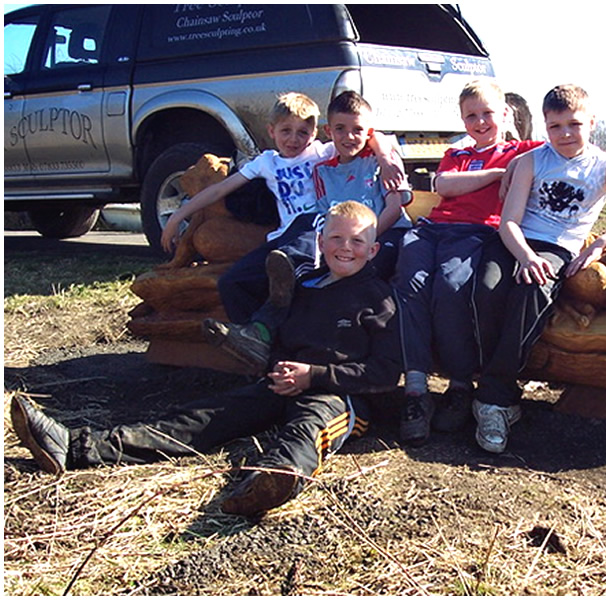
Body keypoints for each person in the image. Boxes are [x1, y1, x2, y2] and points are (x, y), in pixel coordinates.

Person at [11, 202, 403, 520]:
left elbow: (385, 372)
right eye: (336, 237)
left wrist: (314, 376)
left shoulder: (378, 299)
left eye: (356, 241)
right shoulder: (303, 288)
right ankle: (74, 447)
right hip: (281, 384)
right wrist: (278, 368)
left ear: (372, 250)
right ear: (320, 241)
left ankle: (270, 483)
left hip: (338, 397)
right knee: (197, 418)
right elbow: (281, 338)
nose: (345, 247)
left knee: (306, 432)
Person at [472, 84, 606, 453]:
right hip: (515, 242)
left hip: (558, 248)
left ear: (592, 123)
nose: (565, 134)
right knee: (486, 287)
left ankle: (493, 400)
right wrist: (525, 255)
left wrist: (603, 242)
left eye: (574, 124)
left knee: (531, 291)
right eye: (555, 126)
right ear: (545, 126)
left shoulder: (604, 166)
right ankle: (481, 386)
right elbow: (508, 221)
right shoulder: (532, 162)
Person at [160, 92, 402, 372]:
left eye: (302, 132)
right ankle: (259, 348)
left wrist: (384, 157)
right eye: (286, 131)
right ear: (271, 131)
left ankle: (276, 331)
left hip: (317, 231)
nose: (294, 139)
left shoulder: (322, 152)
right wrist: (179, 214)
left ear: (314, 134)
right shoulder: (267, 162)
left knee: (299, 267)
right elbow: (219, 189)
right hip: (285, 239)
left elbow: (368, 133)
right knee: (232, 283)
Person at [392, 79, 543, 446]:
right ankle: (415, 389)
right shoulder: (457, 155)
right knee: (410, 282)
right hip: (431, 230)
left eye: (487, 113)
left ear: (506, 113)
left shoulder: (525, 151)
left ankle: (460, 384)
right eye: (470, 116)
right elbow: (444, 185)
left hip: (476, 234)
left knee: (451, 286)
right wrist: (495, 175)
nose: (479, 122)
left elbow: (570, 148)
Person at [313, 90, 414, 281]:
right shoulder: (322, 172)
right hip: (345, 243)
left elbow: (393, 209)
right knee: (324, 270)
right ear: (328, 131)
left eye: (357, 130)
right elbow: (324, 215)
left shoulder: (381, 162)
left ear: (369, 133)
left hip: (386, 233)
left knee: (369, 267)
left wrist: (366, 240)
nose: (349, 137)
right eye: (340, 129)